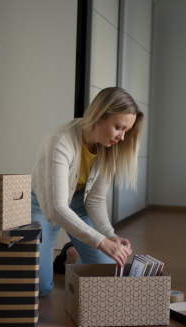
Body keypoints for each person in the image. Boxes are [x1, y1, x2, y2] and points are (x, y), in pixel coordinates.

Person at [31, 87, 145, 296]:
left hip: (79, 204)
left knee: (106, 272)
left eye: (126, 131)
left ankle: (71, 255)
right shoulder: (60, 140)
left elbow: (95, 201)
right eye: (118, 127)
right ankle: (70, 254)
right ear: (99, 115)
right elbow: (56, 209)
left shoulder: (108, 147)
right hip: (44, 205)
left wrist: (110, 236)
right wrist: (101, 242)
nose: (121, 137)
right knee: (40, 288)